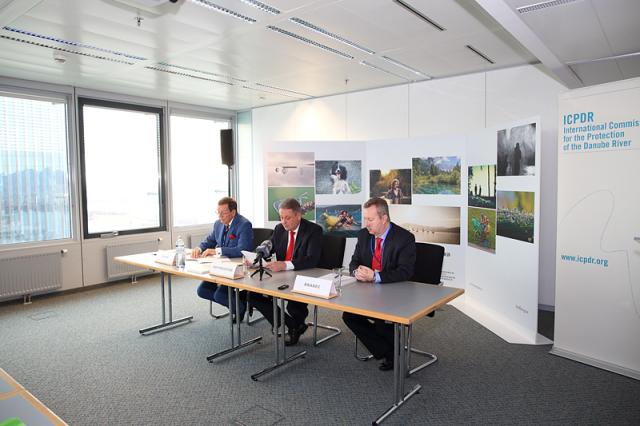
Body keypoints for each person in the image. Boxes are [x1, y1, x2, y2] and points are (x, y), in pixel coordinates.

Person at [343, 197, 416, 371]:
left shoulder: (404, 238)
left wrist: (376, 276)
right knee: (349, 316)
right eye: (365, 219)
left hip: (395, 292)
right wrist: (356, 272)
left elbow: (405, 272)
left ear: (384, 218)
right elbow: (354, 262)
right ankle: (387, 351)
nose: (366, 224)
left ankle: (392, 355)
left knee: (382, 321)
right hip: (368, 292)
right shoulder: (363, 235)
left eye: (370, 219)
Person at [250, 198, 322, 346]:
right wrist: (256, 258)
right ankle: (293, 325)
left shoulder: (313, 230)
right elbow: (269, 247)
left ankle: (294, 325)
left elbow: (312, 260)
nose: (284, 221)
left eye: (287, 218)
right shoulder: (279, 229)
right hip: (282, 274)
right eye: (281, 217)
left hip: (304, 274)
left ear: (298, 215)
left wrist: (285, 265)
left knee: (293, 303)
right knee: (251, 294)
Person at [192, 197, 253, 321]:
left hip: (236, 267)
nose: (220, 216)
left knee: (220, 295)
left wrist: (217, 251)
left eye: (223, 213)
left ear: (233, 212)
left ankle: (240, 308)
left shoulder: (244, 224)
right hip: (219, 265)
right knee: (202, 291)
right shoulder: (218, 223)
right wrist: (199, 248)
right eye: (218, 212)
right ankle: (238, 304)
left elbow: (243, 249)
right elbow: (210, 240)